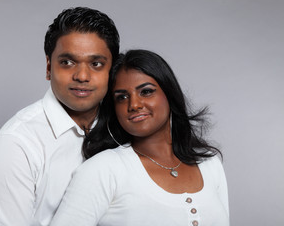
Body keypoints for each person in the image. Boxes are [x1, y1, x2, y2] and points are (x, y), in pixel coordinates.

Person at [50, 49, 229, 226]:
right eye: (122, 97)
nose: (134, 104)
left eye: (146, 92)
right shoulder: (103, 170)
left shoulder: (209, 163)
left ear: (169, 94)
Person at [0, 7, 119, 226]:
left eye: (96, 64)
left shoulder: (125, 125)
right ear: (49, 67)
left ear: (111, 71)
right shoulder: (16, 144)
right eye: (67, 62)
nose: (82, 76)